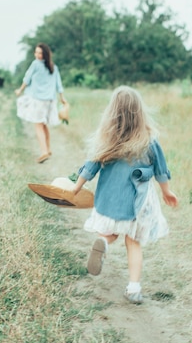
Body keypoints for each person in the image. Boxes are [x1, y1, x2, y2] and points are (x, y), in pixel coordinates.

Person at [72, 86, 178, 304]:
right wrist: (167, 192)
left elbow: (90, 168)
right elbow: (160, 170)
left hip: (111, 199)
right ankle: (133, 288)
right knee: (133, 242)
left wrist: (75, 187)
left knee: (110, 231)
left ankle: (103, 242)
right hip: (137, 203)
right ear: (139, 112)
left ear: (111, 113)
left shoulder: (106, 140)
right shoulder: (149, 141)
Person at [15, 43, 67, 163]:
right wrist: (62, 98)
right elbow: (59, 85)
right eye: (36, 52)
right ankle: (48, 150)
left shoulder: (36, 64)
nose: (37, 55)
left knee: (38, 125)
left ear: (45, 54)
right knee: (44, 125)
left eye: (40, 53)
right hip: (50, 101)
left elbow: (27, 79)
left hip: (39, 100)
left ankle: (43, 152)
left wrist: (19, 90)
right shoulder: (53, 66)